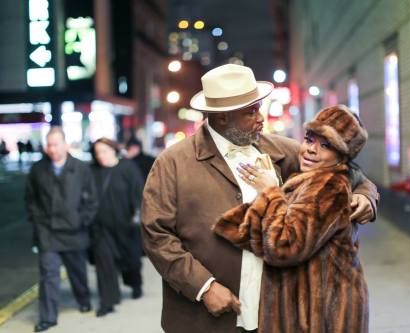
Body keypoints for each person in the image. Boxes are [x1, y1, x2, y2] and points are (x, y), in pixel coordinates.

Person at [141, 64, 379, 333]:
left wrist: (365, 195)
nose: (260, 118)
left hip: (273, 314)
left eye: (258, 107)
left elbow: (341, 168)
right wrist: (203, 287)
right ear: (221, 118)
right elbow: (156, 235)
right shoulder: (172, 163)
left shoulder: (281, 149)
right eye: (250, 112)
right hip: (206, 318)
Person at [214, 105, 369, 333]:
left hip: (325, 315)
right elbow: (278, 232)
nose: (311, 150)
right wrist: (238, 224)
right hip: (307, 311)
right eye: (309, 140)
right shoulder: (306, 180)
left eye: (326, 146)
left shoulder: (329, 187)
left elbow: (284, 246)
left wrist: (269, 192)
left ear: (342, 157)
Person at [25, 127, 98, 332]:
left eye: (56, 144)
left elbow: (92, 200)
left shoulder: (81, 168)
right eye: (49, 144)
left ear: (66, 145)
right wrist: (38, 222)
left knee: (77, 271)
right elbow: (31, 199)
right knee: (48, 275)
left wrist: (82, 220)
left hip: (75, 231)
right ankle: (48, 317)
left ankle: (83, 299)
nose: (52, 149)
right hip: (47, 232)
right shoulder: (37, 169)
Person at [90, 138, 144, 317]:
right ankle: (107, 301)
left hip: (126, 227)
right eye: (97, 153)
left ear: (113, 150)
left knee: (131, 262)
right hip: (102, 228)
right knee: (104, 263)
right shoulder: (93, 171)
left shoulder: (127, 168)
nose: (100, 156)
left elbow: (139, 193)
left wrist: (137, 216)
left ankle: (135, 284)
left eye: (104, 151)